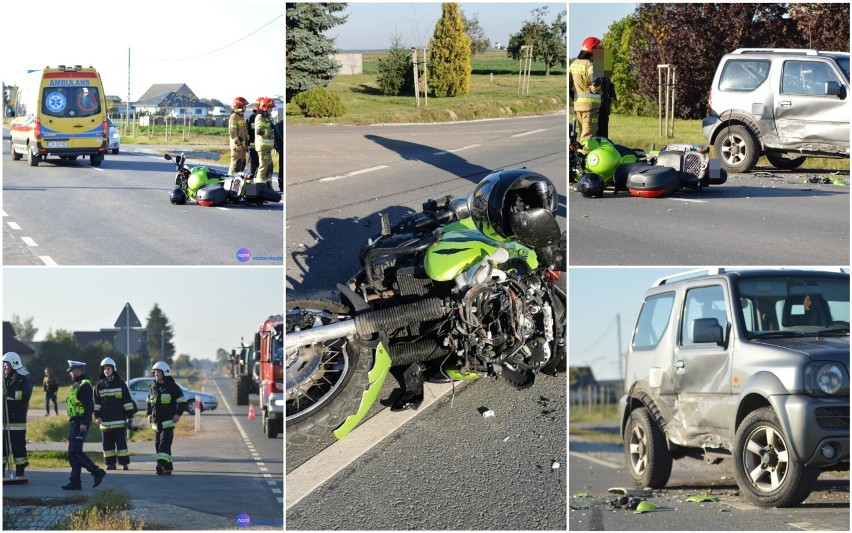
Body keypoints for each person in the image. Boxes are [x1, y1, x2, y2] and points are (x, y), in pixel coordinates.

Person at [63, 361, 107, 490]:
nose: (70, 373)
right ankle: (75, 481)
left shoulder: (85, 385)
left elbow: (89, 407)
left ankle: (97, 472)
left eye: (71, 371)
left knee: (76, 452)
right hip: (74, 421)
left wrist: (83, 424)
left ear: (77, 371)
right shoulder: (76, 385)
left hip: (81, 422)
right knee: (72, 453)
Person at [94, 358, 135, 471]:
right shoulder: (99, 386)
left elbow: (127, 401)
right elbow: (96, 404)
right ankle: (110, 464)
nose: (106, 371)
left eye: (108, 368)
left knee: (121, 445)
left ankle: (124, 463)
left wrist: (130, 416)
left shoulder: (121, 384)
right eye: (104, 369)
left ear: (113, 369)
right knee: (107, 446)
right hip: (105, 423)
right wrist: (97, 416)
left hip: (119, 422)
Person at [147, 362, 187, 475]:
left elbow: (182, 402)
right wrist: (148, 413)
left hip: (168, 422)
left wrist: (177, 414)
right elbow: (149, 402)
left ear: (165, 373)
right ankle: (168, 467)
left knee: (164, 444)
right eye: (155, 372)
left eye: (158, 372)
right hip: (156, 423)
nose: (156, 374)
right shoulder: (153, 388)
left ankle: (160, 465)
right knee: (157, 445)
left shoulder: (173, 387)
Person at [3, 352, 32, 479]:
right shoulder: (4, 379)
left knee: (18, 447)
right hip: (4, 419)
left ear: (14, 363)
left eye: (6, 364)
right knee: (2, 448)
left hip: (17, 420)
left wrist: (8, 393)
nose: (4, 367)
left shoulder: (24, 378)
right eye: (3, 364)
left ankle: (20, 472)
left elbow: (25, 395)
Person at [570, 37, 603, 141]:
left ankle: (578, 154)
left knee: (582, 133)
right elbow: (596, 80)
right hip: (590, 107)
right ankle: (584, 155)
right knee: (588, 135)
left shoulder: (573, 64)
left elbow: (569, 84)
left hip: (578, 106)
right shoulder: (590, 65)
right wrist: (594, 88)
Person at [255, 98, 276, 184]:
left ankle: (268, 186)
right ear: (265, 108)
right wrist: (270, 132)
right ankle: (258, 186)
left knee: (269, 167)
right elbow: (259, 130)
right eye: (270, 108)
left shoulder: (267, 118)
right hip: (263, 148)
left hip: (267, 148)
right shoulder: (259, 118)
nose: (271, 110)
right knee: (264, 167)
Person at [228, 97, 249, 175]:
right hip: (237, 147)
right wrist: (238, 144)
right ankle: (230, 183)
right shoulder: (233, 117)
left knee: (241, 166)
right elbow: (232, 132)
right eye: (244, 106)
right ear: (239, 107)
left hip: (242, 147)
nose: (246, 107)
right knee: (235, 166)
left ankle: (237, 184)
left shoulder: (241, 117)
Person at [246, 99, 261, 177]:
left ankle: (264, 188)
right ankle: (250, 189)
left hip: (262, 149)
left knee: (263, 171)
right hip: (253, 149)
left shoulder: (266, 118)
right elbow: (247, 133)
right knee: (252, 170)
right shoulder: (251, 118)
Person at [273, 119, 283, 192]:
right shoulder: (258, 119)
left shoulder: (265, 120)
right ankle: (251, 194)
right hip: (256, 150)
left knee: (264, 172)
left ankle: (255, 195)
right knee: (253, 171)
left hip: (265, 151)